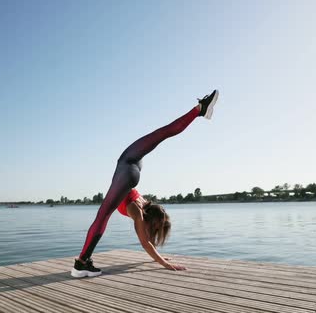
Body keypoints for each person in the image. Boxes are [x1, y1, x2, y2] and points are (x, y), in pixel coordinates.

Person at [71, 90, 219, 278]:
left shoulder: (138, 210)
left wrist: (162, 261)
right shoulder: (139, 211)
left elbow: (145, 242)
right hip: (128, 170)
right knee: (102, 216)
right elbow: (146, 242)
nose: (151, 232)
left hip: (129, 167)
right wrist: (162, 262)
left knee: (102, 217)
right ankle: (199, 110)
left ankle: (82, 263)